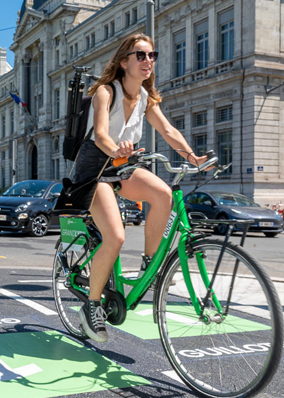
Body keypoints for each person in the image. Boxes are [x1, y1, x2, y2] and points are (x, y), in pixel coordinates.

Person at [73, 33, 209, 343]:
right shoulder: (106, 92)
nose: (148, 61)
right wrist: (116, 150)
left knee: (163, 195)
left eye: (152, 55)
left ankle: (151, 266)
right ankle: (92, 308)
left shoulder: (146, 98)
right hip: (95, 169)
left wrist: (193, 157)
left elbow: (168, 130)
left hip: (123, 167)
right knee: (116, 236)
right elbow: (101, 135)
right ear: (124, 62)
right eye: (141, 55)